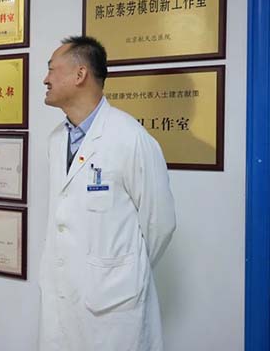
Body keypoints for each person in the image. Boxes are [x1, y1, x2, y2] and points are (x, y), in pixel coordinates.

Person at [38, 35, 176, 351]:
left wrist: (120, 271)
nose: (46, 79)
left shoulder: (130, 138)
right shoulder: (57, 139)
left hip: (114, 306)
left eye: (52, 69)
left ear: (80, 74)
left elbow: (160, 224)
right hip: (64, 295)